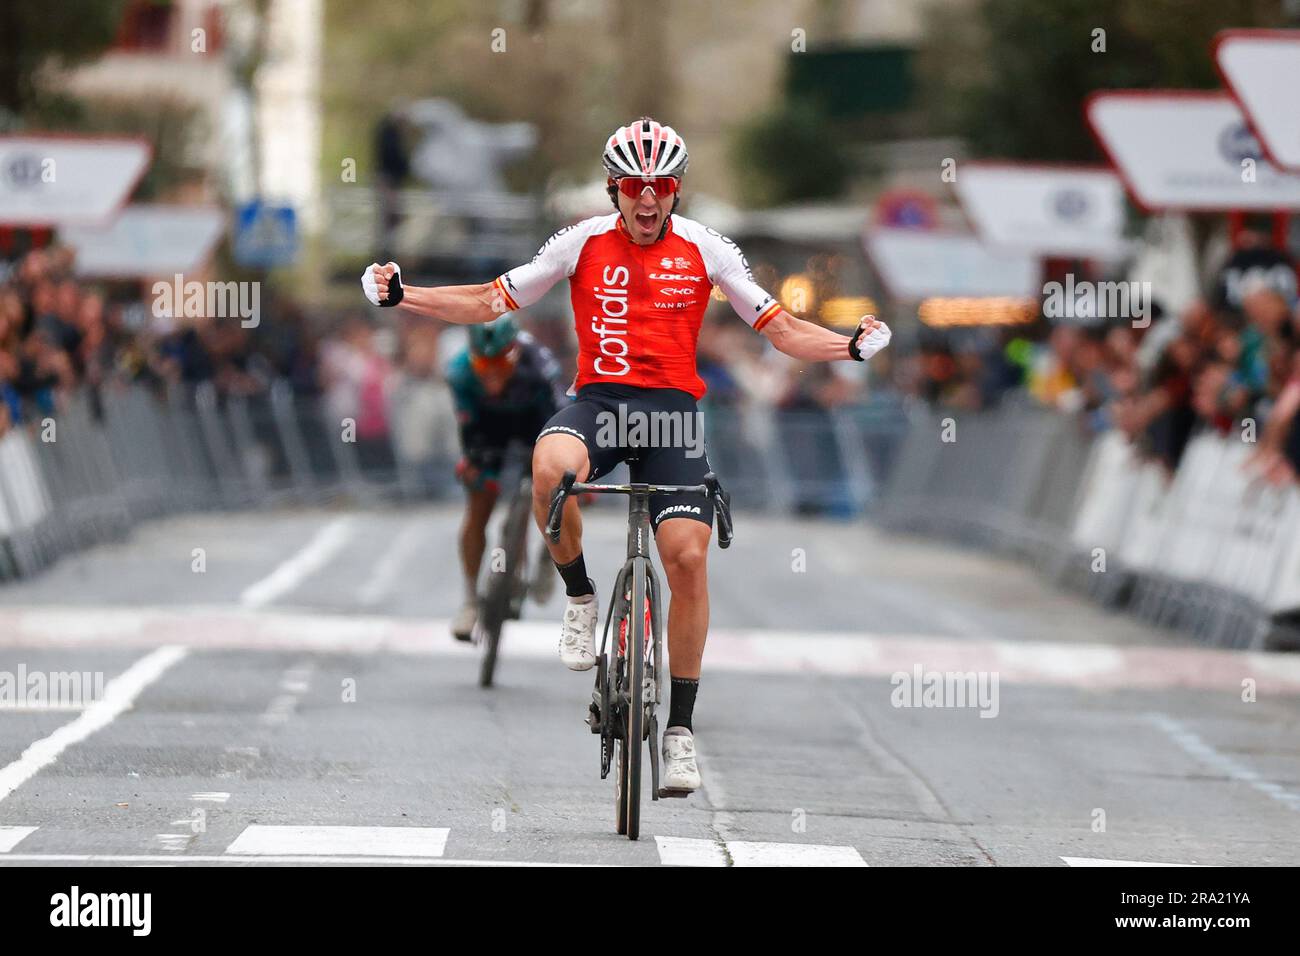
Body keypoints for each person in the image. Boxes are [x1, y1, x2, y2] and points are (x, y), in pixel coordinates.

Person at [363, 117, 891, 792]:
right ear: (615, 188)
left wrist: (847, 346)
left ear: (678, 191)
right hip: (601, 406)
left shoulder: (708, 248)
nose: (649, 200)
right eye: (636, 186)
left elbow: (780, 326)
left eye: (663, 186)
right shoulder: (580, 241)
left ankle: (680, 733)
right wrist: (404, 295)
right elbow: (494, 299)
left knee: (689, 558)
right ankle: (580, 598)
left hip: (672, 416)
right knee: (550, 468)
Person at [445, 314, 566, 640]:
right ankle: (470, 600)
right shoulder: (459, 372)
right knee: (478, 506)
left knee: (558, 488)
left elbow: (562, 419)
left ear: (514, 353)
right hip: (488, 432)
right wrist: (472, 464)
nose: (492, 376)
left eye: (500, 366)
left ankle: (546, 558)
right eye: (484, 368)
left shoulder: (540, 367)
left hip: (536, 425)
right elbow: (468, 429)